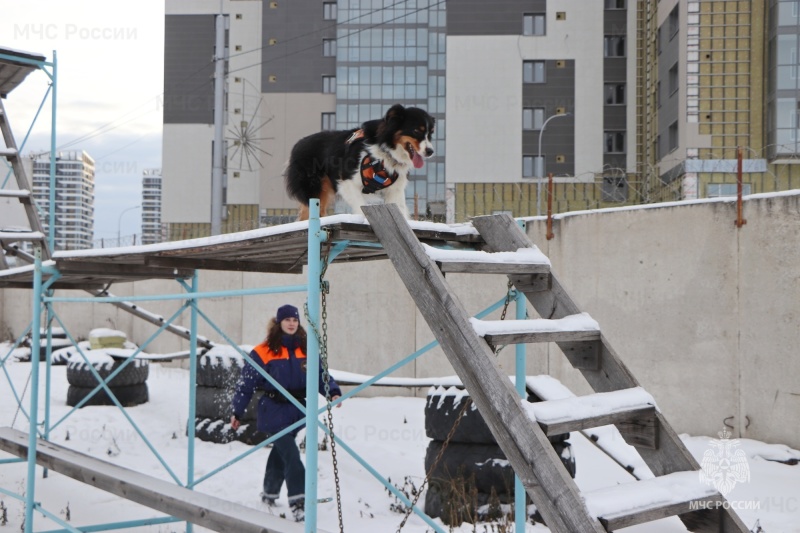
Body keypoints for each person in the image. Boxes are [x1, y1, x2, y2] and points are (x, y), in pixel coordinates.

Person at [230, 304, 342, 522]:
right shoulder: (263, 351)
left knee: (281, 453)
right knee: (291, 455)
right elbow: (246, 384)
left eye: (295, 319)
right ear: (278, 322)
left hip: (296, 411)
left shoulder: (306, 348)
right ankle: (299, 503)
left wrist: (333, 392)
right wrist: (237, 411)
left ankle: (269, 493)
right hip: (272, 411)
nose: (291, 323)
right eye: (287, 319)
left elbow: (320, 375)